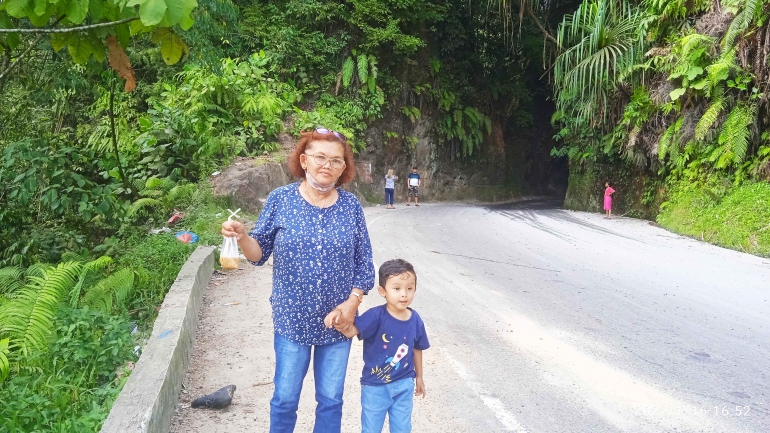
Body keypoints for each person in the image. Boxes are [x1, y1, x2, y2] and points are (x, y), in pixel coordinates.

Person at [221, 128, 375, 433]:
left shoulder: (351, 207)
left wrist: (352, 302)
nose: (327, 165)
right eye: (320, 157)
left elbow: (364, 263)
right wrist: (242, 237)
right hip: (292, 319)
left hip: (338, 321)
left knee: (331, 400)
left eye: (336, 161)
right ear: (304, 160)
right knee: (285, 399)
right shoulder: (281, 199)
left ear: (344, 168)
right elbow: (258, 252)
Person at [324, 259, 429, 433]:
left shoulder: (415, 319)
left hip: (404, 384)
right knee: (371, 429)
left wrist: (419, 377)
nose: (404, 294)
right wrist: (337, 315)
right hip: (375, 386)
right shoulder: (375, 316)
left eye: (409, 288)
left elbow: (417, 347)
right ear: (382, 291)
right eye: (397, 289)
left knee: (402, 429)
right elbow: (351, 331)